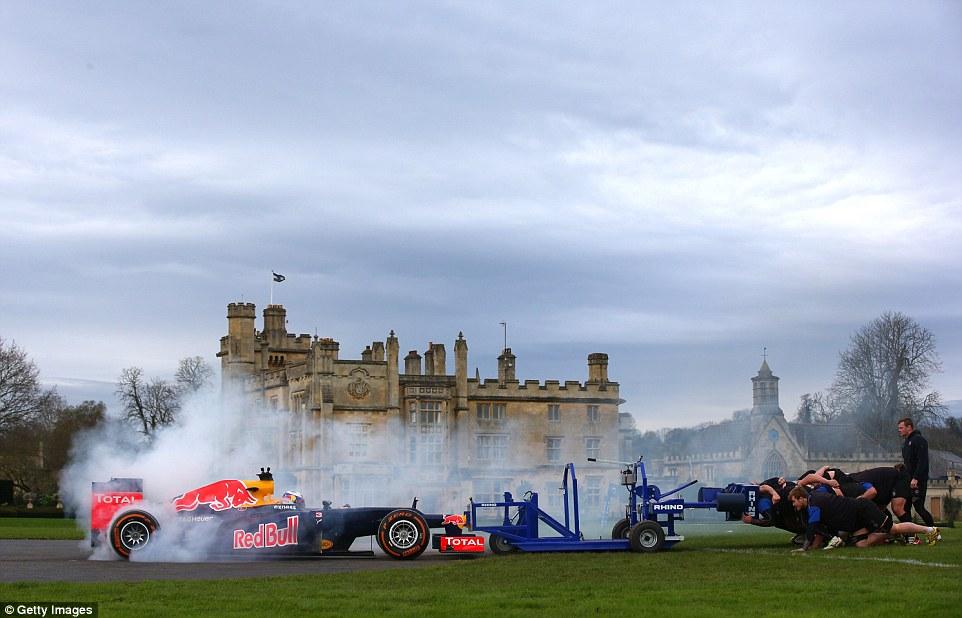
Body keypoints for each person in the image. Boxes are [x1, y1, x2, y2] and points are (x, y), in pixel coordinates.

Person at [787, 486, 938, 550]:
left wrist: (805, 548)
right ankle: (890, 535)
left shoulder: (814, 502)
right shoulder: (813, 501)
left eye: (794, 501)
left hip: (863, 509)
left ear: (801, 498)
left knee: (895, 527)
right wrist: (813, 547)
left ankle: (930, 530)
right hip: (856, 520)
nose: (793, 505)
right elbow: (818, 530)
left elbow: (813, 527)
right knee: (859, 544)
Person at [899, 417, 935, 527]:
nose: (899, 430)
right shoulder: (906, 443)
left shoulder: (919, 440)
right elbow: (909, 463)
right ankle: (910, 534)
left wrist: (916, 478)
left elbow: (922, 461)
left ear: (909, 427)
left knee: (919, 507)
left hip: (917, 481)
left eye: (901, 428)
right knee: (905, 508)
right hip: (908, 480)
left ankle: (933, 531)